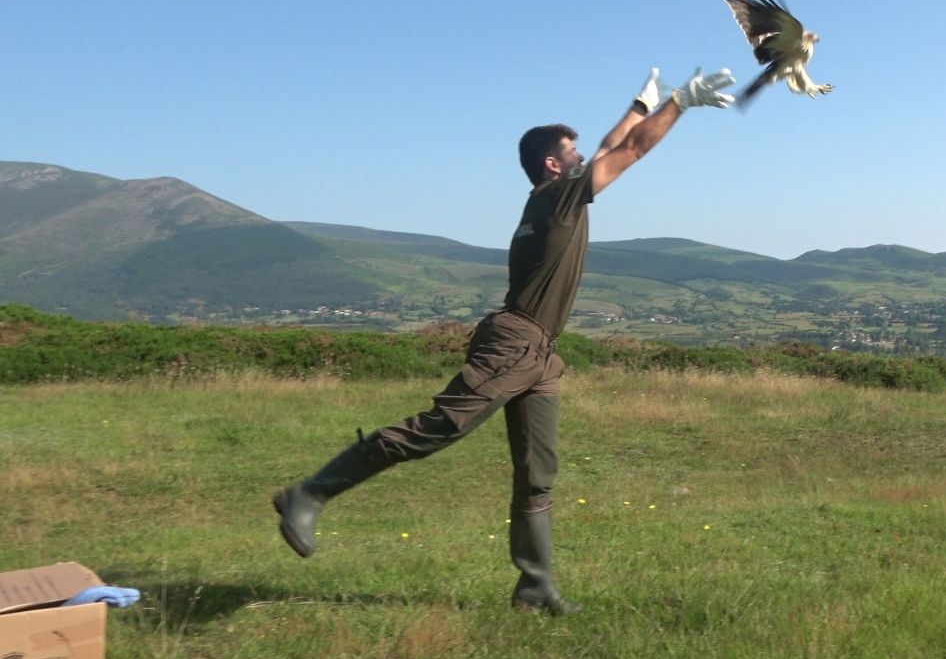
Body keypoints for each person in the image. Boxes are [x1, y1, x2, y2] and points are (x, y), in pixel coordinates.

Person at [272, 66, 736, 614]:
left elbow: (614, 144)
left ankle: (535, 585)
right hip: (515, 343)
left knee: (538, 473)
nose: (583, 155)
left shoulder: (554, 197)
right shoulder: (559, 198)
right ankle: (310, 493)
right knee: (440, 427)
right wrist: (680, 103)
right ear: (553, 164)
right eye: (571, 150)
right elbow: (630, 151)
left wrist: (639, 104)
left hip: (541, 353)